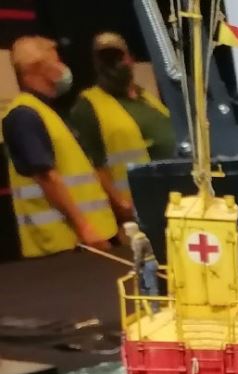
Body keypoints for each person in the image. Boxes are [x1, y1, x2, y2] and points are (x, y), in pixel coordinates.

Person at [1, 36, 117, 257]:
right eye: (56, 62)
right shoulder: (24, 115)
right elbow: (47, 177)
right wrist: (84, 227)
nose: (63, 69)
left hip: (83, 240)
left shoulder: (45, 111)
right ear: (37, 69)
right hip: (64, 244)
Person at [68, 32, 174, 224]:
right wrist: (120, 203)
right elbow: (93, 164)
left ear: (130, 59)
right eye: (107, 60)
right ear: (97, 64)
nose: (114, 65)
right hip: (138, 208)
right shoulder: (88, 105)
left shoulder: (146, 97)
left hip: (174, 197)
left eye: (118, 57)